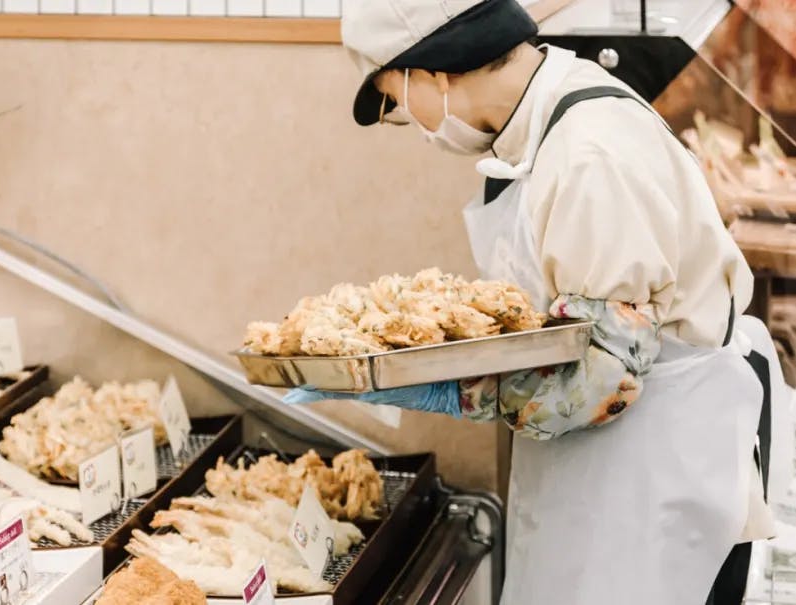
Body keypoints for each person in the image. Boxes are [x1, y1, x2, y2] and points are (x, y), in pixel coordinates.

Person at [283, 1, 790, 603]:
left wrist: (449, 386)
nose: (411, 124)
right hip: (601, 465)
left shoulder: (589, 153)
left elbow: (605, 382)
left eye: (396, 100)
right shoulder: (546, 121)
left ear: (433, 70)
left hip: (648, 474)